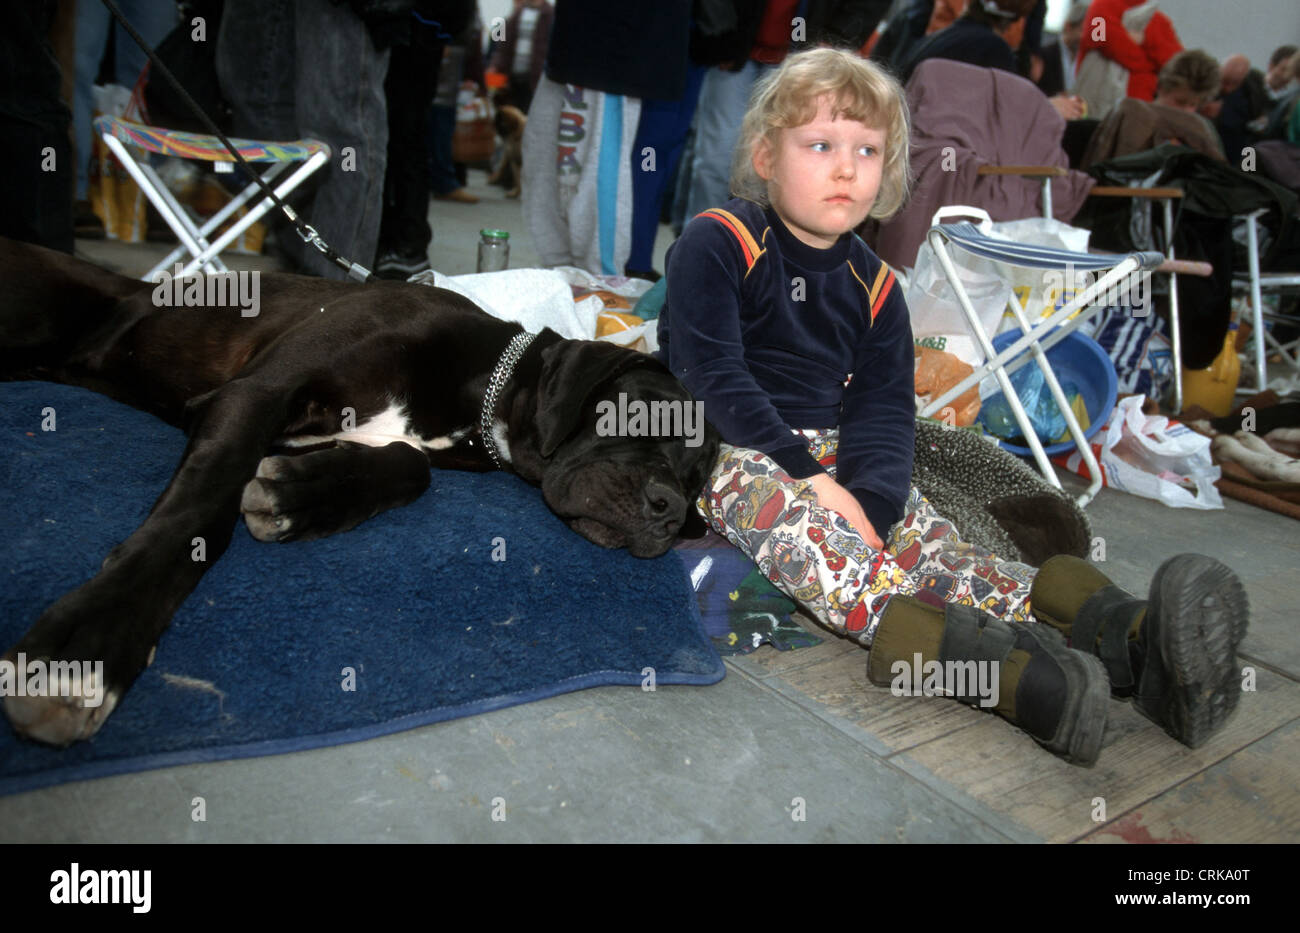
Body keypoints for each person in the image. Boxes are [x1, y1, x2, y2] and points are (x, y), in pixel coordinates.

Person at [657, 46, 1249, 765]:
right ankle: (1005, 674)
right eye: (820, 145)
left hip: (838, 452)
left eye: (867, 149)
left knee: (940, 548)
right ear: (764, 156)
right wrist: (809, 479)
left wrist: (872, 505)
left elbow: (882, 412)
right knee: (830, 555)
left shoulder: (876, 285)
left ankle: (1123, 635)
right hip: (737, 447)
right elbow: (706, 371)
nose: (846, 167)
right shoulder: (719, 240)